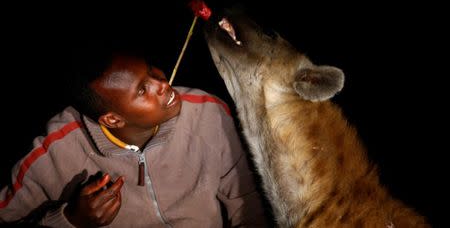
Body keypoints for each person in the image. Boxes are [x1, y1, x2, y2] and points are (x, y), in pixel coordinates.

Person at [0, 42, 269, 227]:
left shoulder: (207, 113)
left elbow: (247, 201)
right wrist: (70, 219)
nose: (162, 84)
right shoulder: (54, 152)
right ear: (113, 119)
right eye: (143, 90)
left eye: (151, 71)